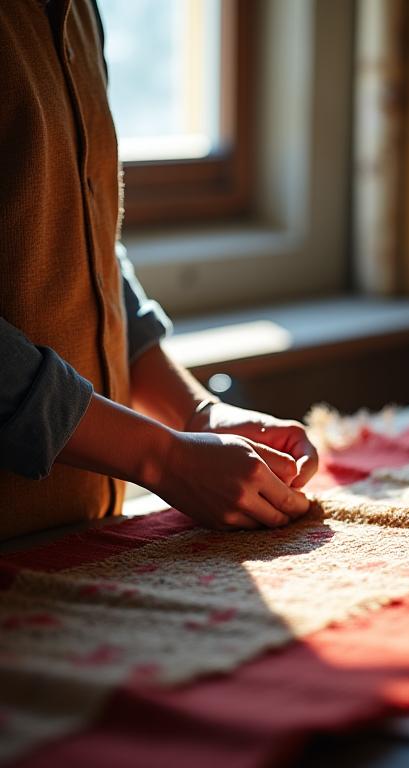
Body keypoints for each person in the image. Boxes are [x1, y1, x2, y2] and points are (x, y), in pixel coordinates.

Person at [0, 0, 318, 541]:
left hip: (75, 540)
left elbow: (84, 250)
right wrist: (162, 458)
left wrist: (196, 414)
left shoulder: (76, 12)